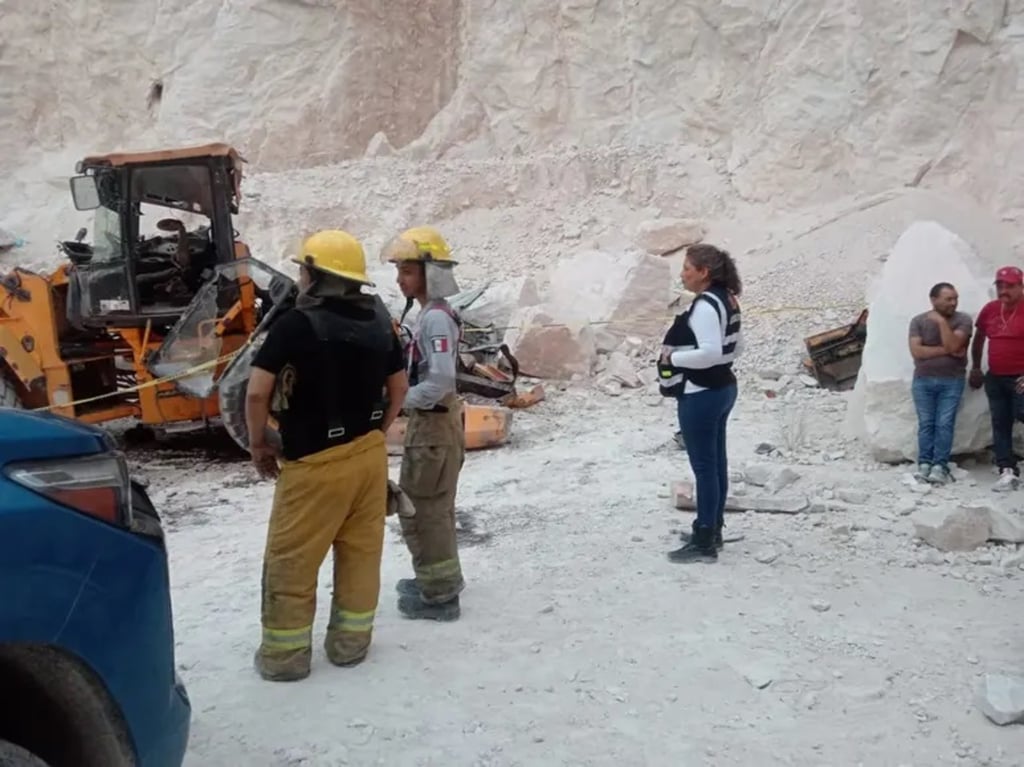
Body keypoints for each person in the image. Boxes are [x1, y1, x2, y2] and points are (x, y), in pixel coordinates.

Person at [245, 229, 409, 682]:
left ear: (319, 276)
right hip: (369, 459)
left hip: (314, 465)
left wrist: (258, 444)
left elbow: (257, 393)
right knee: (360, 554)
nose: (299, 278)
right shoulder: (380, 319)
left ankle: (285, 658)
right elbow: (400, 388)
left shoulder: (295, 325)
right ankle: (350, 645)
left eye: (303, 270)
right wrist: (375, 432)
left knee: (292, 561)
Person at [380, 225, 466, 621]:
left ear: (430, 272)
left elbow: (441, 380)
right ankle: (442, 581)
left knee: (422, 510)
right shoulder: (430, 314)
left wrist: (397, 403)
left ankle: (439, 595)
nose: (400, 280)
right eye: (399, 271)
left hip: (432, 426)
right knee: (437, 507)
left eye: (408, 271)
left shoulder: (435, 319)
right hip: (434, 425)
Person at [658, 244, 743, 563]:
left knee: (705, 467)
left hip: (700, 393)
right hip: (723, 388)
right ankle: (713, 526)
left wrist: (673, 357)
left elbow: (708, 352)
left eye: (687, 268)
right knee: (716, 463)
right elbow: (735, 348)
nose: (682, 274)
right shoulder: (728, 299)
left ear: (703, 273)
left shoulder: (706, 306)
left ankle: (704, 538)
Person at [908, 282, 972, 485]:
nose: (953, 303)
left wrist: (941, 323)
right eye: (948, 299)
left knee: (944, 424)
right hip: (923, 380)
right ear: (934, 300)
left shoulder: (963, 320)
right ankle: (924, 463)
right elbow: (917, 352)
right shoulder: (918, 321)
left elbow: (955, 344)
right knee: (926, 424)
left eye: (955, 298)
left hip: (951, 381)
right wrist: (949, 350)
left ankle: (940, 465)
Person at [969, 266, 1024, 491]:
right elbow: (979, 338)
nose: (1004, 290)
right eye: (1000, 286)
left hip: (1020, 378)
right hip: (996, 377)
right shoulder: (990, 309)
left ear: (1021, 286)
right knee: (1000, 422)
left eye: (1009, 286)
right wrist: (975, 367)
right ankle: (1007, 469)